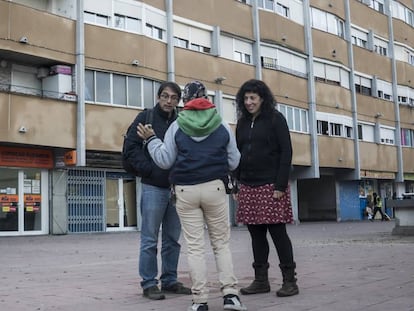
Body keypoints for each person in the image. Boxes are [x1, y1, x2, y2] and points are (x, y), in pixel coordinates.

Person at [137, 81, 247, 311]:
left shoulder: (177, 126)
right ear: (206, 98)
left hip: (185, 190)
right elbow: (235, 160)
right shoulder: (222, 125)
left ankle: (200, 301)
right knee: (220, 244)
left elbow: (165, 160)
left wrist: (151, 140)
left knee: (195, 247)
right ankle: (230, 296)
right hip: (215, 188)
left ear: (185, 101)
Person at [124, 81, 191, 300]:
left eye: (173, 97)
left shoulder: (183, 121)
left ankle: (170, 280)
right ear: (158, 97)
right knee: (149, 239)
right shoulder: (146, 118)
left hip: (176, 190)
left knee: (173, 239)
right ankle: (149, 283)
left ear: (178, 101)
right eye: (165, 96)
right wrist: (148, 169)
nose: (168, 101)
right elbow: (130, 148)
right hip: (153, 187)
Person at [233, 79, 299, 297]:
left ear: (263, 99)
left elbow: (286, 152)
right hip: (248, 185)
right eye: (246, 98)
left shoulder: (275, 119)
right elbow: (238, 154)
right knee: (256, 236)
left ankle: (290, 281)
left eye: (253, 98)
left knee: (278, 234)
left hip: (271, 185)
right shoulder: (242, 123)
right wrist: (236, 184)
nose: (249, 102)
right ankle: (261, 280)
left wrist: (280, 184)